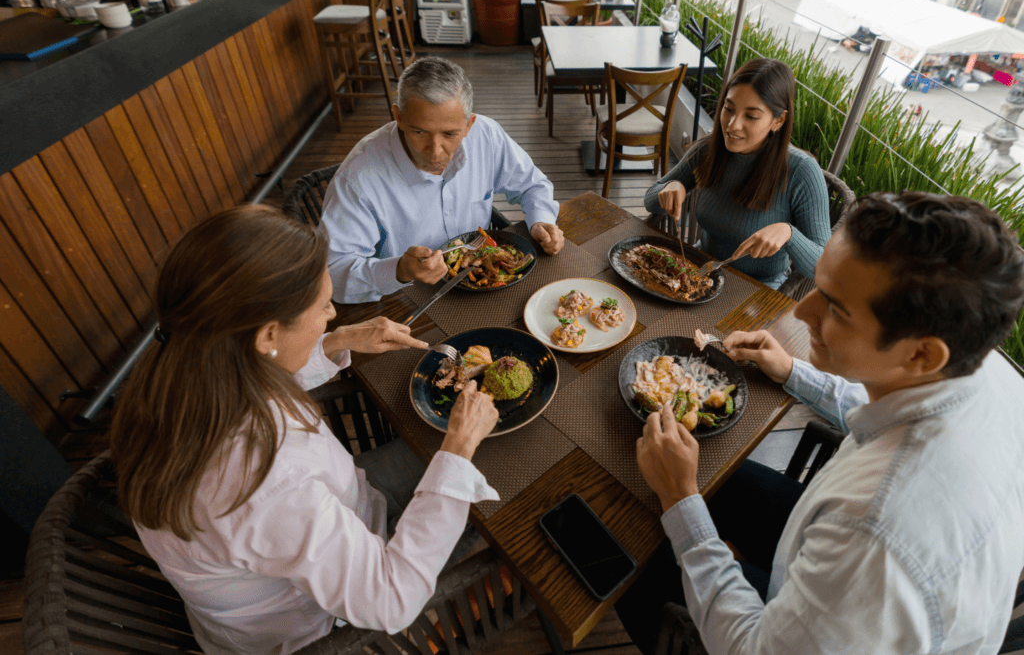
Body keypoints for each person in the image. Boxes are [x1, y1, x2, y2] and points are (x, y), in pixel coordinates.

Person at [615, 191, 1024, 654]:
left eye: (836, 307)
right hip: (846, 580)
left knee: (627, 563)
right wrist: (791, 370)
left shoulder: (875, 538)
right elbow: (891, 393)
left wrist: (679, 497)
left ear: (921, 351)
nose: (803, 310)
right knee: (716, 475)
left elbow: (755, 649)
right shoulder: (987, 367)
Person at [110, 205, 501, 655]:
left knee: (469, 463)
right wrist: (459, 444)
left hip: (335, 518)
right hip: (319, 621)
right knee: (492, 496)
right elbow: (391, 601)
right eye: (322, 307)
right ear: (267, 335)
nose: (332, 314)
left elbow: (260, 385)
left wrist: (336, 342)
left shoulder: (185, 367)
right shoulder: (265, 481)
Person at [321, 56, 564, 304]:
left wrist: (541, 221)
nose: (435, 151)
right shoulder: (357, 178)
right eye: (419, 132)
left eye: (450, 134)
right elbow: (333, 274)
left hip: (483, 284)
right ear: (399, 117)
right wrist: (399, 271)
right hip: (403, 299)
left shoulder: (486, 135)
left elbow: (533, 185)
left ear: (469, 125)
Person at [646, 58, 831, 289]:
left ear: (778, 120)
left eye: (751, 116)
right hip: (703, 271)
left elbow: (825, 268)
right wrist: (671, 186)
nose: (732, 125)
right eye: (728, 108)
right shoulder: (709, 149)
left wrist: (789, 233)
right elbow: (650, 199)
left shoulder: (802, 171)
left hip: (759, 288)